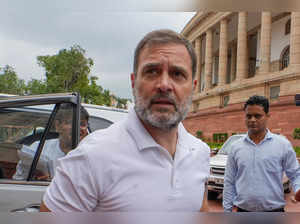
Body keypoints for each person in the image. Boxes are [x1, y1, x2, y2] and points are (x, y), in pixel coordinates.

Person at [40, 29, 210, 212]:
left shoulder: (200, 153)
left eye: (177, 74)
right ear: (133, 81)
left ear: (193, 87)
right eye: (152, 71)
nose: (164, 85)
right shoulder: (92, 156)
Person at [223, 95, 300, 212]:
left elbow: (295, 174)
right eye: (248, 116)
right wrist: (227, 212)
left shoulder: (283, 145)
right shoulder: (236, 147)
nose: (252, 120)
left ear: (268, 116)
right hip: (243, 213)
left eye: (257, 116)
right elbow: (229, 181)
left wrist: (298, 188)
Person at [13, 104, 89, 180]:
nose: (77, 128)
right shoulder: (38, 149)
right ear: (57, 126)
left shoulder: (91, 153)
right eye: (71, 123)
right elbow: (19, 181)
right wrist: (36, 180)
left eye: (82, 124)